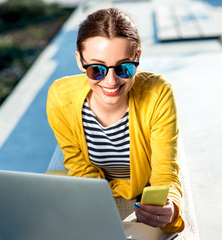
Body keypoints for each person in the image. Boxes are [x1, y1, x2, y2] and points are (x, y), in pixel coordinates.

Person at [46, 8, 185, 233]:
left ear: (138, 58)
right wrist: (96, 204)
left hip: (143, 193)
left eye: (124, 67)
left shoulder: (158, 92)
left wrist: (169, 204)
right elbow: (79, 166)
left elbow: (164, 173)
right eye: (96, 69)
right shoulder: (60, 97)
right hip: (97, 195)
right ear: (80, 61)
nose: (111, 81)